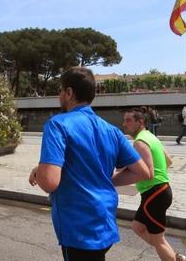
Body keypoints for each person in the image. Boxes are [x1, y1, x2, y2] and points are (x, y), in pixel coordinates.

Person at [28, 67, 150, 261]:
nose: (59, 95)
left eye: (60, 91)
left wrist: (39, 171)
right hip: (105, 222)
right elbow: (143, 172)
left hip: (79, 229)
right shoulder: (112, 130)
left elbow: (49, 182)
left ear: (69, 93)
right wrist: (106, 180)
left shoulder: (57, 124)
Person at [114, 109, 186, 261]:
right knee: (138, 227)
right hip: (159, 191)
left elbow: (147, 173)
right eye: (124, 120)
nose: (124, 124)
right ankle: (176, 257)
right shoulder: (150, 137)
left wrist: (117, 178)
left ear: (140, 122)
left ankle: (175, 258)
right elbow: (168, 160)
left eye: (128, 120)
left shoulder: (140, 143)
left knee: (158, 240)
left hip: (154, 194)